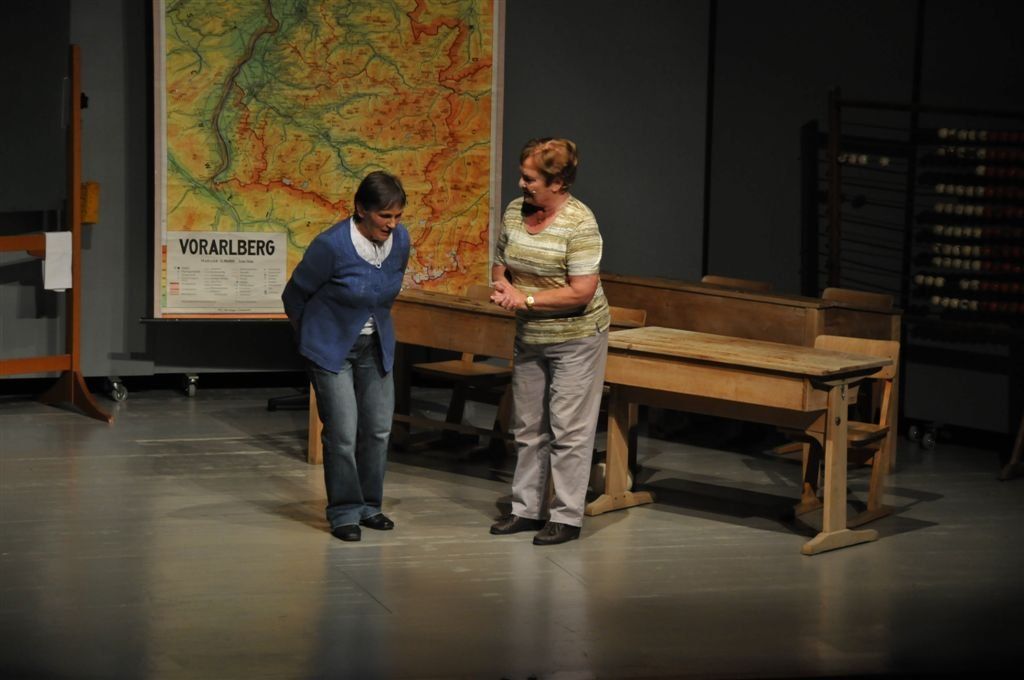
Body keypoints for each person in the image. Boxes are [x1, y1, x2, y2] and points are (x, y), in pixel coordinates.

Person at [488, 138, 610, 545]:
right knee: (528, 426)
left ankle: (566, 516)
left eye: (530, 179)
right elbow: (501, 262)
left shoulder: (580, 224)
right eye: (522, 177)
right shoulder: (515, 211)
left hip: (575, 338)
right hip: (531, 335)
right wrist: (502, 286)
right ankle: (526, 509)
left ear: (558, 182)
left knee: (569, 429)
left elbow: (582, 291)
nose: (521, 185)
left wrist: (525, 299)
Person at [281, 171, 410, 542]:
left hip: (375, 345)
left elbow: (388, 288)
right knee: (342, 433)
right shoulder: (332, 245)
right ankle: (344, 511)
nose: (392, 224)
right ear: (361, 209)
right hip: (331, 348)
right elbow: (295, 295)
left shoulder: (400, 241)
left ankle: (370, 505)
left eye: (397, 216)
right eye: (385, 215)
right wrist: (311, 338)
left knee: (378, 429)